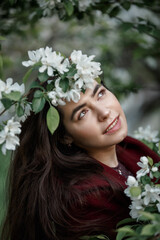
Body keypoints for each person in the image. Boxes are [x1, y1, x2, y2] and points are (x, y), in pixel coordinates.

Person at [1, 49, 160, 240]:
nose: (104, 112)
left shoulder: (129, 148)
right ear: (65, 137)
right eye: (82, 113)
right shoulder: (83, 199)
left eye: (100, 94)